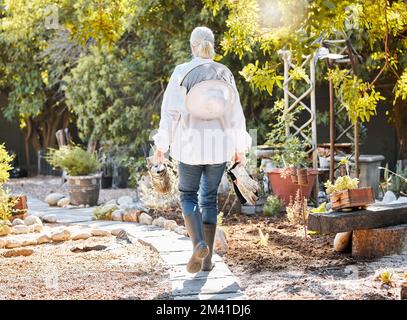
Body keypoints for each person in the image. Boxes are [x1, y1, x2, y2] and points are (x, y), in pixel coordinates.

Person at [152, 26, 252, 273]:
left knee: (188, 195)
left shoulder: (182, 72)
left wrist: (161, 146)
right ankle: (207, 260)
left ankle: (198, 244)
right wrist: (240, 148)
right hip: (219, 148)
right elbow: (236, 116)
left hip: (189, 146)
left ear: (192, 45)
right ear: (212, 45)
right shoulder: (224, 73)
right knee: (209, 198)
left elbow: (170, 114)